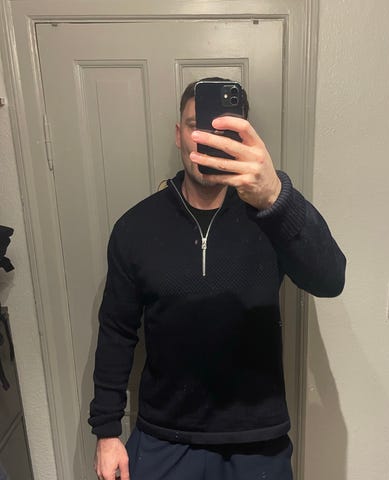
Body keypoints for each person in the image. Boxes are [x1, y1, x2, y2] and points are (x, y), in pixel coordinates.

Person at [89, 78, 346, 480]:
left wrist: (275, 196)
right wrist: (107, 433)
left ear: (242, 137)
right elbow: (116, 332)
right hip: (164, 438)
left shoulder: (271, 214)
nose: (207, 140)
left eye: (222, 130)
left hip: (257, 442)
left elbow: (330, 280)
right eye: (196, 126)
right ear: (179, 134)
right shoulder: (135, 227)